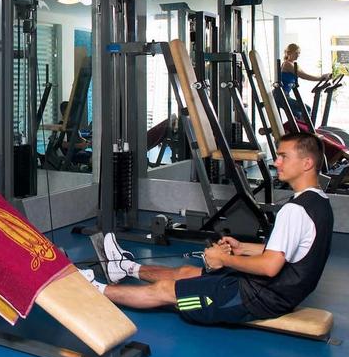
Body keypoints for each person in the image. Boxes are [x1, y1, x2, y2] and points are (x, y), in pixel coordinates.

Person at [84, 131, 333, 325]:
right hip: (272, 292)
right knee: (185, 272)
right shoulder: (318, 202)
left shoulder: (295, 210)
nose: (276, 162)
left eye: (283, 156)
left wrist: (224, 260)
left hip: (256, 298)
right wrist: (241, 247)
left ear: (307, 163)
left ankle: (94, 290)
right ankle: (126, 267)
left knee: (164, 291)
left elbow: (270, 267)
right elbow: (286, 252)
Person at [279, 43, 329, 119]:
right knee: (306, 110)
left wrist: (322, 77)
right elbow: (303, 76)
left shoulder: (295, 65)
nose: (298, 55)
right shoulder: (287, 64)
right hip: (280, 96)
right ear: (289, 53)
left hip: (285, 96)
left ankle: (296, 130)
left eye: (299, 53)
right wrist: (320, 78)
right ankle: (304, 130)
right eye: (296, 53)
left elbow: (305, 74)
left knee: (298, 115)